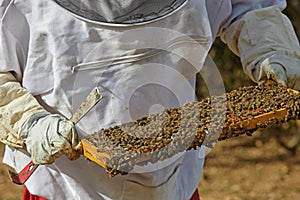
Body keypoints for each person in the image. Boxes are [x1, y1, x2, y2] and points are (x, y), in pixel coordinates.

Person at [0, 0, 299, 199]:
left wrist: (271, 45)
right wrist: (29, 122)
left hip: (175, 181)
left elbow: (245, 6)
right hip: (65, 189)